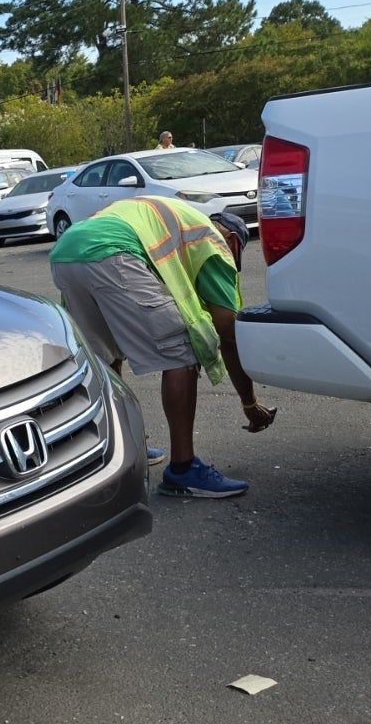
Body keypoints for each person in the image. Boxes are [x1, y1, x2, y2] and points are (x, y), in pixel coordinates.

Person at [49, 195, 276, 498]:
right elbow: (227, 331)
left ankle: (119, 450)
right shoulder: (211, 242)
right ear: (233, 241)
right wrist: (249, 404)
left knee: (104, 356)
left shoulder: (173, 221)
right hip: (112, 253)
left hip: (67, 251)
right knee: (182, 351)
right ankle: (183, 470)